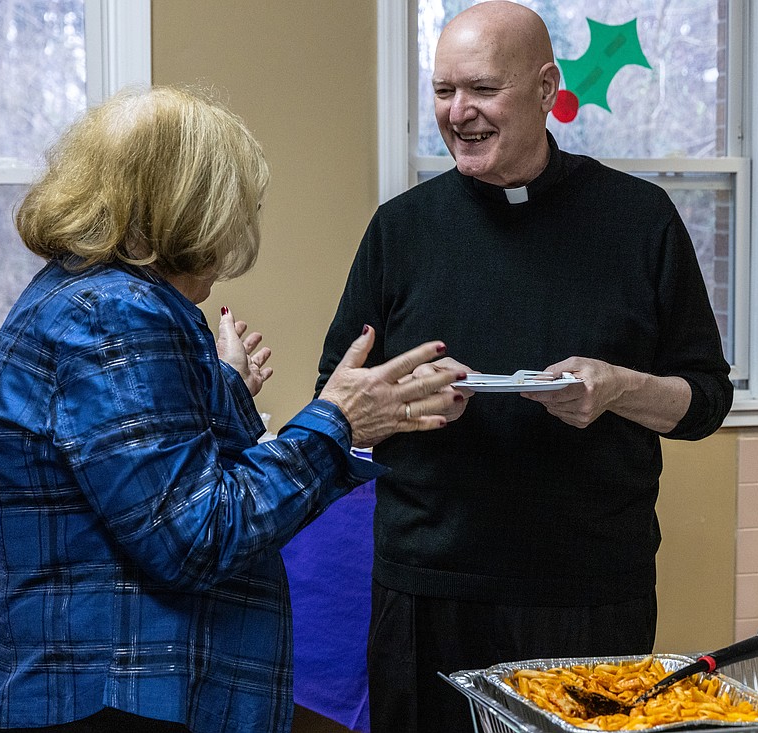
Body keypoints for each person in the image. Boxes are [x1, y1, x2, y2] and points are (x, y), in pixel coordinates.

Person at [0, 86, 463, 733]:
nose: (238, 230)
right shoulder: (115, 313)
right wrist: (337, 421)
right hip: (110, 700)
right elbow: (193, 536)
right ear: (188, 207)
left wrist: (220, 385)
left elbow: (131, 463)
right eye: (237, 207)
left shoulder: (83, 294)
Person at [313, 2, 733, 731]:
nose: (458, 112)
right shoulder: (401, 230)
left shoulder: (641, 220)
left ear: (546, 88)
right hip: (428, 591)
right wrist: (402, 402)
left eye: (481, 89)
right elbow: (334, 399)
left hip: (591, 595)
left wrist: (619, 388)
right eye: (443, 92)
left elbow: (704, 400)